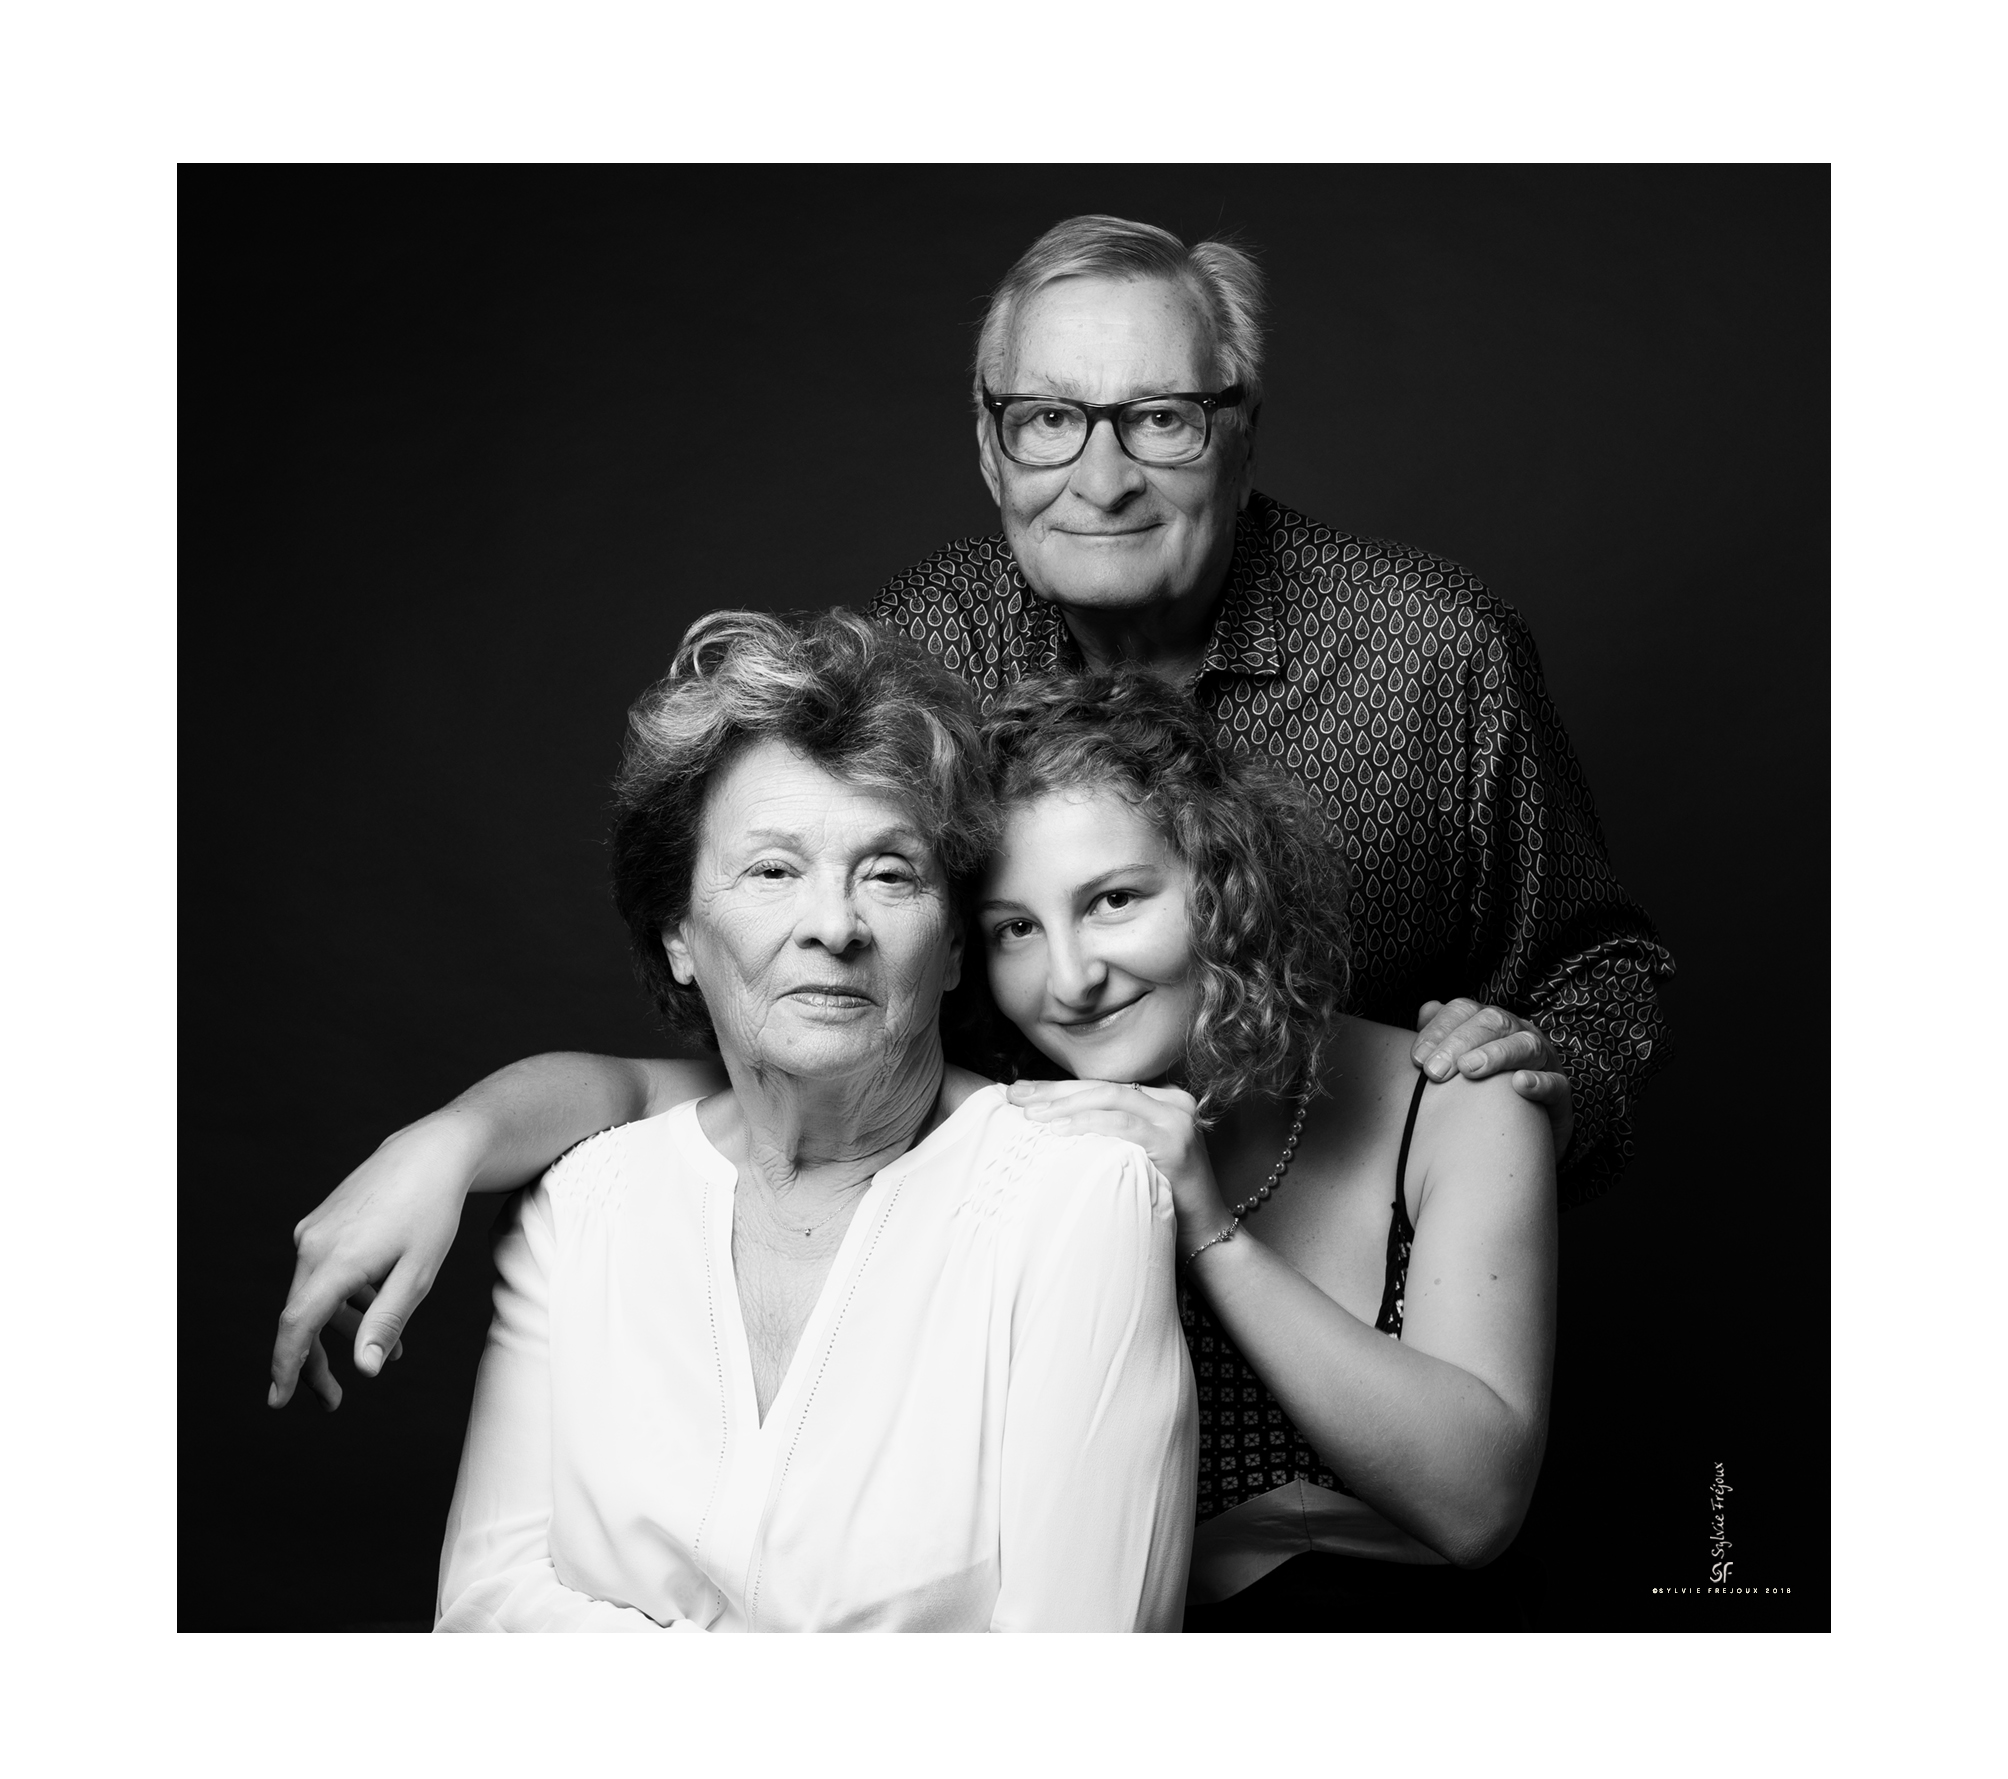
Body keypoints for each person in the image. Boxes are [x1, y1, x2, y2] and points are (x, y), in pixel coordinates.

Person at [272, 210, 1666, 1403]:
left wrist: (1526, 1083)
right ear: (993, 445)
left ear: (1238, 428)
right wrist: (456, 1136)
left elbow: (1605, 973)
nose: (1100, 475)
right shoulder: (915, 664)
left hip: (1375, 1341)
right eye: (1048, 418)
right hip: (1012, 1360)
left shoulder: (1434, 651)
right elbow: (789, 1049)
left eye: (1159, 417)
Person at [432, 608, 1195, 1631]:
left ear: (956, 945)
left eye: (889, 873)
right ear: (678, 935)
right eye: (773, 870)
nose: (834, 925)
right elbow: (484, 1617)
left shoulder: (1075, 1201)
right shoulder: (581, 1209)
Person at [970, 669, 1553, 1629]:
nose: (1070, 977)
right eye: (1016, 929)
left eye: (1114, 899)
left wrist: (1206, 1225)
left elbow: (1477, 1506)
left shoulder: (1461, 1100)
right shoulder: (1011, 1131)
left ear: (1227, 881)